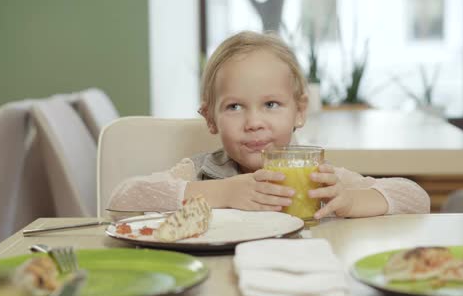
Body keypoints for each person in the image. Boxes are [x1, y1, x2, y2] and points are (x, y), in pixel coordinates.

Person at [109, 31, 430, 218]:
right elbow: (122, 200)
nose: (254, 122)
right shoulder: (202, 173)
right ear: (210, 118)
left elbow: (416, 198)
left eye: (271, 105)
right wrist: (223, 192)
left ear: (299, 110)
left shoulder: (316, 178)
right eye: (234, 107)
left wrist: (350, 199)